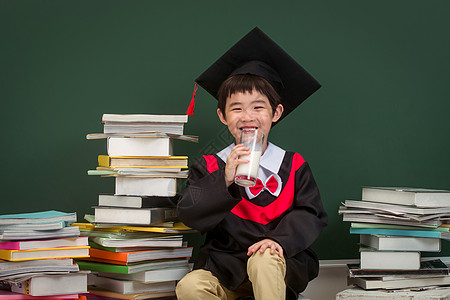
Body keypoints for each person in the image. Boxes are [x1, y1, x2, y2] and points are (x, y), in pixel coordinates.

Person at [176, 27, 328, 300]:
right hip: (225, 265)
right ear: (222, 116)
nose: (247, 116)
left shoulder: (293, 164)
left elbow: (310, 213)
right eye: (236, 108)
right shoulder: (210, 165)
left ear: (276, 113)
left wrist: (278, 241)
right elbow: (189, 213)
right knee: (190, 286)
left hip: (279, 261)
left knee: (264, 258)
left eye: (258, 107)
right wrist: (223, 179)